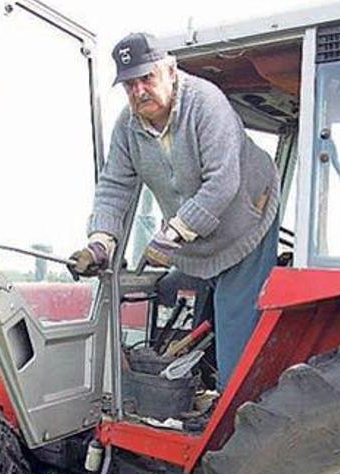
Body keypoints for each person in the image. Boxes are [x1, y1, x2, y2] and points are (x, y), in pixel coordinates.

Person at [70, 33, 279, 390]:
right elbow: (115, 187)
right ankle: (197, 395)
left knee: (236, 334)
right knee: (197, 322)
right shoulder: (128, 127)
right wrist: (100, 243)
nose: (138, 91)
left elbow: (222, 182)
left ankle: (235, 417)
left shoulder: (206, 104)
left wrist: (169, 239)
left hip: (246, 226)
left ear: (169, 70)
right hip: (195, 244)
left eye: (146, 78)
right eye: (129, 84)